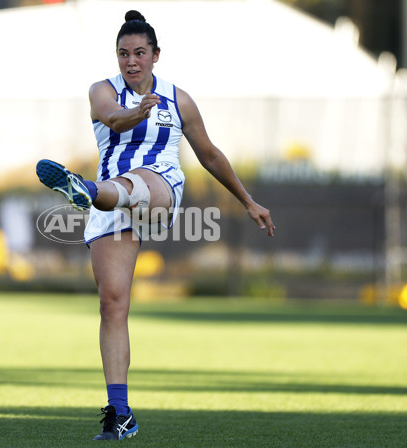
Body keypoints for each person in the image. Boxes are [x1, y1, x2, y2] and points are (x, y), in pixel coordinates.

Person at [36, 10, 275, 440]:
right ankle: (121, 412)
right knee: (112, 303)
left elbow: (210, 155)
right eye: (124, 53)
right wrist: (137, 113)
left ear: (155, 55)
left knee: (140, 184)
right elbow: (113, 119)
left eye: (140, 53)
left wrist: (248, 200)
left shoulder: (179, 99)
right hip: (114, 200)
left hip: (162, 187)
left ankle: (86, 190)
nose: (131, 61)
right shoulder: (101, 91)